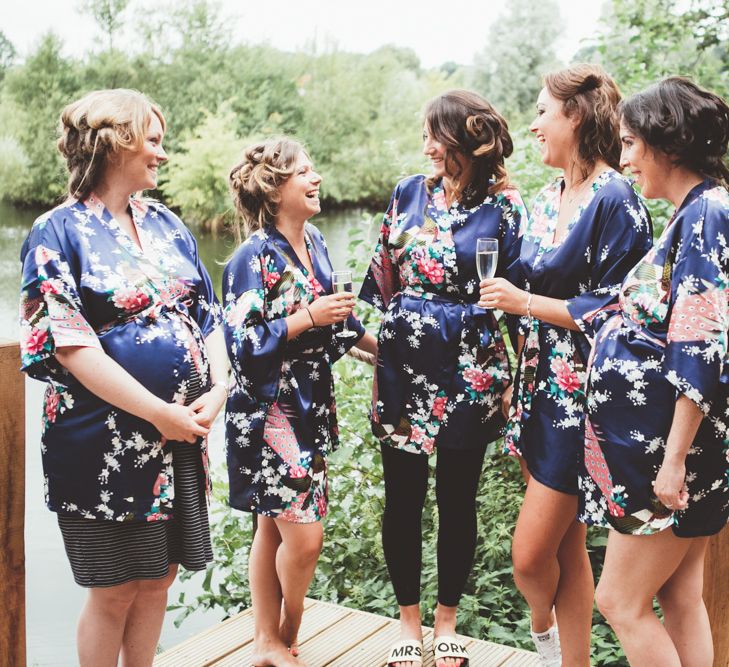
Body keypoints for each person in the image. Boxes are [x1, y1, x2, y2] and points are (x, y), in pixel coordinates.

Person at [18, 89, 228, 667]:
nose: (162, 154)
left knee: (159, 580)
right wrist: (161, 413)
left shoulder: (164, 222)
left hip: (181, 436)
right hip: (102, 445)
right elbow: (68, 343)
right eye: (153, 142)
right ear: (115, 145)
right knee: (113, 590)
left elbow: (208, 316)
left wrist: (220, 387)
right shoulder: (55, 233)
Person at [478, 64, 653, 666]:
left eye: (541, 112)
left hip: (584, 396)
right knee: (567, 550)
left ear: (575, 116)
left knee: (529, 557)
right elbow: (527, 275)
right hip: (538, 386)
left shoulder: (617, 199)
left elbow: (620, 312)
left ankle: (543, 638)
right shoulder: (547, 196)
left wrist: (524, 302)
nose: (531, 125)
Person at [359, 89, 527, 667]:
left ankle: (446, 621)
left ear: (467, 142)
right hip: (404, 366)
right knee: (402, 499)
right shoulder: (408, 193)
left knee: (458, 499)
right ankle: (408, 626)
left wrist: (518, 376)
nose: (427, 146)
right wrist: (377, 355)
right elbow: (381, 282)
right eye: (426, 135)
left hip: (472, 369)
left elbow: (518, 299)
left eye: (438, 136)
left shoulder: (504, 206)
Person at [572, 77, 728, 667]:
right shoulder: (698, 210)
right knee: (680, 595)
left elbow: (702, 344)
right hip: (667, 446)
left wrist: (673, 460)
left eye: (632, 143)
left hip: (666, 450)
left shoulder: (706, 216)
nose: (626, 158)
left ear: (668, 143)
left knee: (620, 601)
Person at [223, 137, 378, 667]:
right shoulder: (251, 257)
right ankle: (290, 625)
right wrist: (308, 318)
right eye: (304, 172)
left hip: (311, 401)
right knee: (305, 538)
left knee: (273, 523)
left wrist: (388, 357)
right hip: (269, 408)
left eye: (315, 169)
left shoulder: (316, 242)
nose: (316, 179)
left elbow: (340, 323)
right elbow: (241, 344)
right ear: (273, 188)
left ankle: (268, 641)